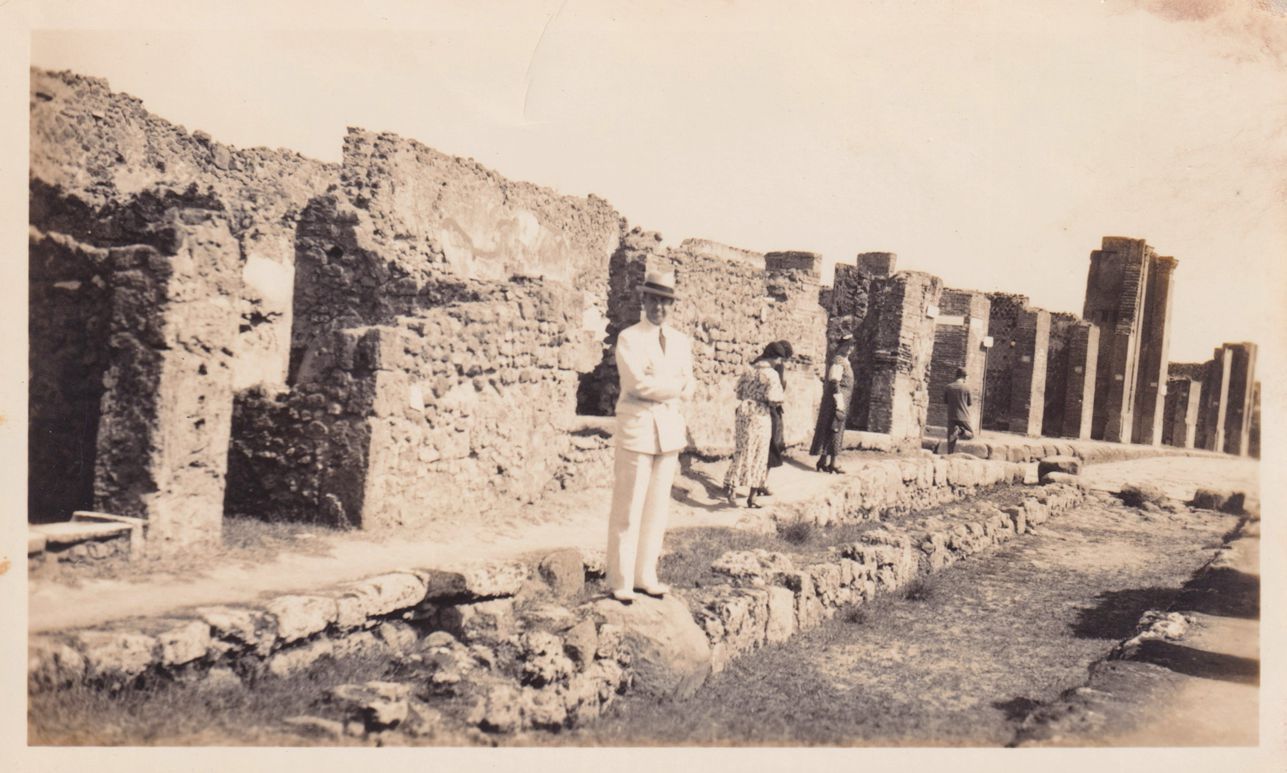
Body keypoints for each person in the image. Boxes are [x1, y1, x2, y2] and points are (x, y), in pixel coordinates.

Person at [606, 269, 694, 605]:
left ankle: (646, 575)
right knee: (628, 509)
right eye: (654, 300)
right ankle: (621, 580)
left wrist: (670, 384)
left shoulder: (681, 341)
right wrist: (674, 386)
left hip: (668, 431)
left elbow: (690, 383)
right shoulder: (630, 338)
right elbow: (636, 384)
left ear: (673, 305)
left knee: (657, 510)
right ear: (643, 300)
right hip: (638, 429)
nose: (660, 307)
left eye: (666, 301)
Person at [723, 342, 788, 508]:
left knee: (742, 450)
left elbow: (739, 393)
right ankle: (752, 498)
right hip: (760, 414)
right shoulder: (771, 374)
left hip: (744, 412)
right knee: (760, 453)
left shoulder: (749, 370)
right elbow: (775, 399)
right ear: (774, 357)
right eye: (779, 359)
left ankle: (732, 490)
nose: (780, 362)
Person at [809, 334, 855, 474]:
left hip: (842, 399)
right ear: (841, 346)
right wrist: (839, 402)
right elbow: (835, 381)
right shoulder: (838, 361)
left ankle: (824, 462)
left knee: (834, 429)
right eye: (847, 346)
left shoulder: (845, 361)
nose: (849, 349)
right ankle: (831, 463)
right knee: (834, 429)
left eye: (851, 346)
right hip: (836, 400)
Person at [756, 339, 794, 498]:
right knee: (771, 446)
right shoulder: (776, 367)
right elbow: (779, 389)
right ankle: (762, 483)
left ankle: (754, 483)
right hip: (771, 410)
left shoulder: (758, 363)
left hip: (756, 410)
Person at [944, 367, 975, 454]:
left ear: (956, 376)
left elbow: (945, 401)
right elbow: (969, 403)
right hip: (963, 416)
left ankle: (949, 456)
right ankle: (961, 431)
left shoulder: (948, 387)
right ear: (964, 377)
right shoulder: (966, 388)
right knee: (971, 435)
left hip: (951, 416)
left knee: (951, 440)